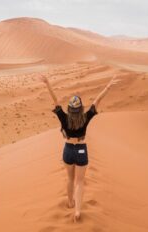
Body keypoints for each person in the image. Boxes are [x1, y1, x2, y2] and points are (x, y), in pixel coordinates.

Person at [39, 73, 119, 222]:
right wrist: (108, 86)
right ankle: (77, 210)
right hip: (81, 149)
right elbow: (97, 101)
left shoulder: (63, 116)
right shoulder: (86, 116)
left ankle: (70, 202)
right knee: (80, 181)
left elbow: (55, 100)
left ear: (69, 109)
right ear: (81, 108)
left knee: (70, 178)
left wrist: (47, 83)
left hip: (68, 149)